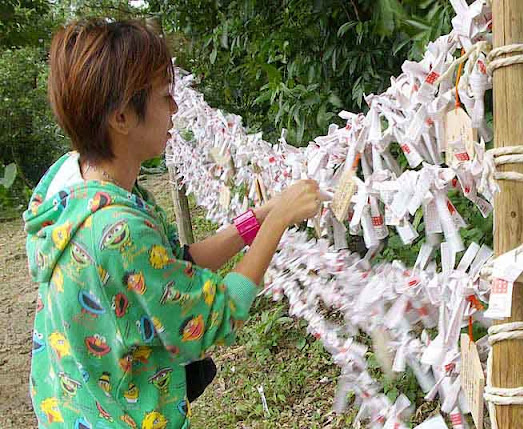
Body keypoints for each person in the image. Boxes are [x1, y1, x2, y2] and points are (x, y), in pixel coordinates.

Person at [25, 19, 323, 428]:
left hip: (74, 408)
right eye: (166, 97)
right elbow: (214, 318)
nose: (176, 110)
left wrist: (259, 218)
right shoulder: (116, 232)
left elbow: (173, 263)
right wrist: (281, 221)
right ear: (122, 117)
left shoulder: (73, 185)